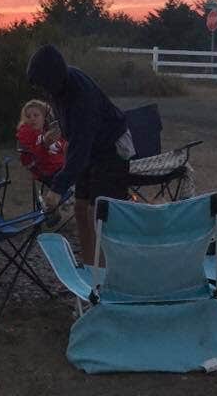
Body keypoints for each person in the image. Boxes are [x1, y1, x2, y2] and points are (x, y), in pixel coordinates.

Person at [27, 44, 130, 266]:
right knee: (80, 208)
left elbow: (81, 147)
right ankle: (90, 267)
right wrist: (59, 129)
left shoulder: (81, 95)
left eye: (43, 85)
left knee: (98, 212)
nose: (43, 91)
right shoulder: (59, 87)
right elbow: (73, 129)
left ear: (52, 79)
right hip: (89, 147)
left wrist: (56, 189)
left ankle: (104, 276)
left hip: (111, 148)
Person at [15, 99, 66, 185]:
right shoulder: (25, 133)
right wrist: (45, 142)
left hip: (62, 167)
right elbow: (32, 157)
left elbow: (64, 148)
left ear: (44, 117)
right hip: (47, 172)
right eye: (28, 116)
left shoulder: (50, 132)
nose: (32, 118)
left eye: (36, 115)